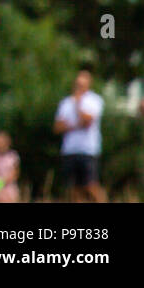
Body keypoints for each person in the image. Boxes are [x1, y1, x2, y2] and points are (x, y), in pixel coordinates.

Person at [53, 67, 107, 202]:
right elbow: (58, 127)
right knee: (73, 188)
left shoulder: (94, 100)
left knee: (90, 185)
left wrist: (78, 104)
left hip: (87, 150)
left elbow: (87, 121)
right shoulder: (65, 102)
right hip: (70, 149)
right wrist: (76, 125)